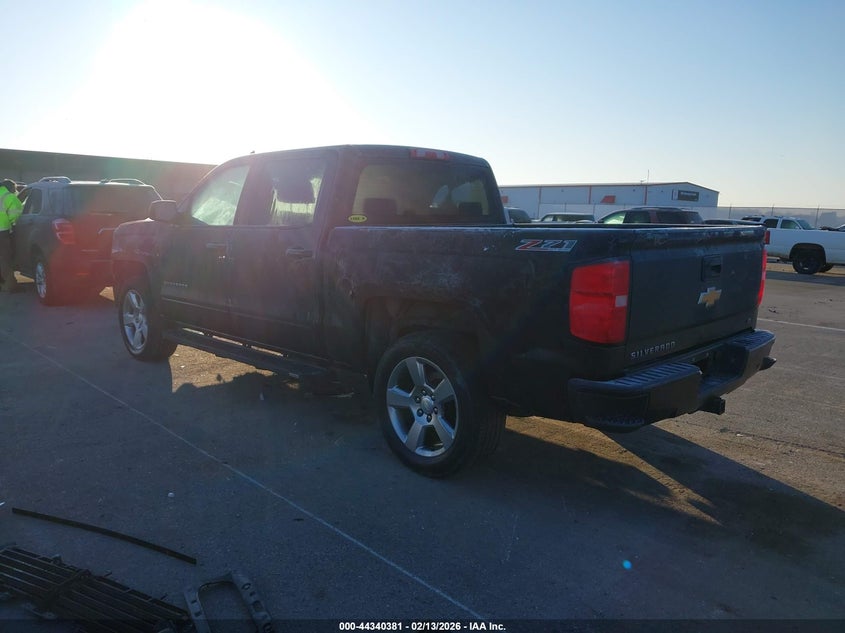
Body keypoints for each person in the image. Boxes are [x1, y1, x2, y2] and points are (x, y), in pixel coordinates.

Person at [0, 178, 23, 292]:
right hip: (2, 232)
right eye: (15, 189)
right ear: (10, 188)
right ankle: (10, 286)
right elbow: (16, 217)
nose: (15, 191)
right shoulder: (9, 197)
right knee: (5, 259)